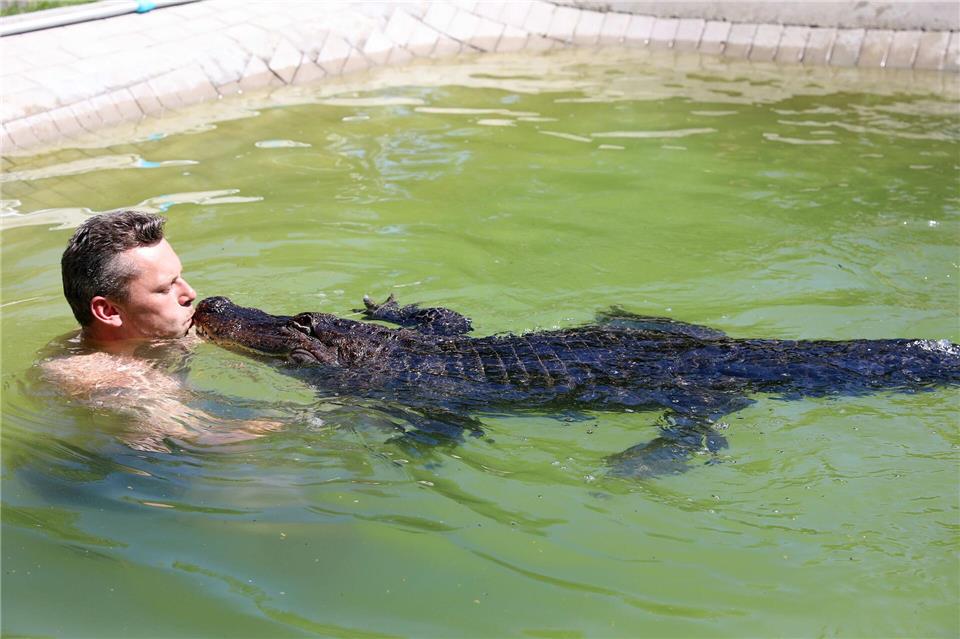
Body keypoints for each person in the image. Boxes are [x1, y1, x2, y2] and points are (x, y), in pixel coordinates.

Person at [40, 210, 279, 451]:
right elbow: (206, 439)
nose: (190, 293)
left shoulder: (156, 333)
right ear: (109, 312)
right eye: (165, 288)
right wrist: (304, 422)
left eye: (180, 277)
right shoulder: (101, 379)